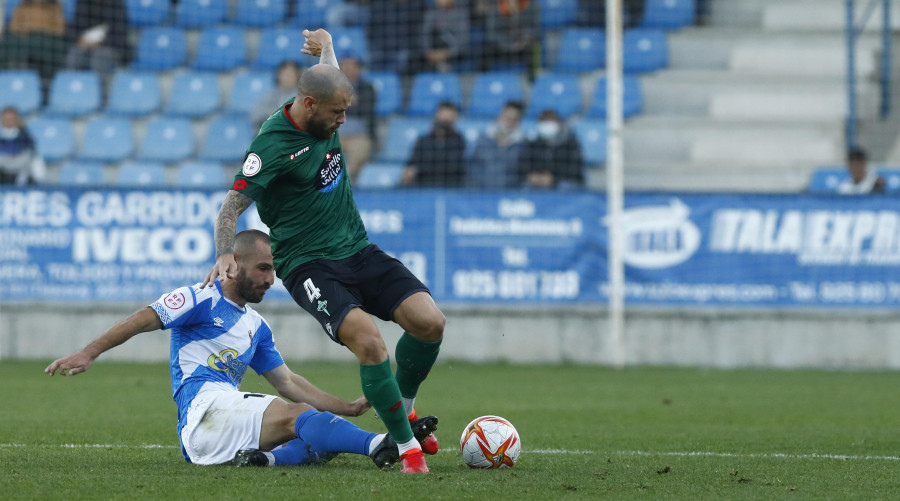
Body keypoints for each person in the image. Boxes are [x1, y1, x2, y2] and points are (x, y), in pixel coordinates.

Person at [202, 29, 445, 474]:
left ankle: (403, 411)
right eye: (337, 113)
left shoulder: (323, 103)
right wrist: (223, 254)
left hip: (357, 248)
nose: (343, 122)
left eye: (347, 112)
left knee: (430, 322)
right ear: (310, 105)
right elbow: (230, 206)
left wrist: (327, 43)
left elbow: (328, 72)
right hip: (309, 265)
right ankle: (408, 449)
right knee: (370, 343)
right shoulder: (271, 147)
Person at [45, 230, 437, 468]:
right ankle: (381, 445)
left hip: (226, 418)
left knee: (315, 429)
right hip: (203, 414)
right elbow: (142, 319)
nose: (272, 278)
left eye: (274, 270)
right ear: (234, 265)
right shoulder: (199, 297)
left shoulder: (256, 326)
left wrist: (345, 407)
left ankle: (263, 460)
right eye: (264, 268)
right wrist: (88, 352)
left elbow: (287, 381)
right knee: (300, 417)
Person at [0, 0, 68, 83]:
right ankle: (7, 79)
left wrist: (41, 31)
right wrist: (28, 31)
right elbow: (14, 27)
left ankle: (49, 82)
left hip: (47, 43)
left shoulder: (54, 8)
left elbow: (59, 30)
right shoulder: (23, 6)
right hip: (25, 40)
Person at [401, 101, 467, 187]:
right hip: (423, 187)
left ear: (455, 118)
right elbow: (412, 165)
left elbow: (453, 168)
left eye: (449, 116)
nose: (445, 118)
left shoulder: (459, 141)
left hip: (449, 188)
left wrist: (421, 169)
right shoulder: (423, 141)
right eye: (443, 114)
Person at [65, 0, 128, 86]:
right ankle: (73, 89)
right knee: (75, 54)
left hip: (110, 47)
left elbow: (120, 33)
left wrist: (100, 42)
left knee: (99, 56)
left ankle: (99, 94)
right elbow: (75, 27)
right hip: (86, 45)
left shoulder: (116, 3)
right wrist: (80, 39)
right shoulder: (83, 2)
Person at [516, 109, 584, 189]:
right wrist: (532, 175)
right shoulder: (533, 143)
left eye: (550, 121)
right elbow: (525, 163)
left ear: (559, 123)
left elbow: (575, 169)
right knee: (524, 186)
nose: (547, 124)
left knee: (566, 186)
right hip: (539, 182)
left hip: (562, 181)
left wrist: (554, 178)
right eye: (544, 121)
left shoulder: (570, 143)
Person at [467, 100, 525, 189]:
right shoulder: (482, 141)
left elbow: (521, 175)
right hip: (481, 194)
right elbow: (474, 168)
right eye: (507, 117)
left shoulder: (522, 146)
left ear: (518, 121)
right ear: (501, 115)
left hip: (509, 196)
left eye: (513, 119)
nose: (508, 122)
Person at [338, 55, 377, 182]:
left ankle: (343, 182)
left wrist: (342, 103)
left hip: (359, 135)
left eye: (352, 66)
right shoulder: (331, 86)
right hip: (335, 133)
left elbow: (365, 110)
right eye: (345, 65)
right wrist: (351, 101)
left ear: (359, 69)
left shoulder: (367, 88)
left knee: (358, 152)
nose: (348, 69)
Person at [366, 0, 425, 74]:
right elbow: (370, 30)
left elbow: (416, 33)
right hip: (379, 48)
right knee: (370, 58)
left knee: (403, 58)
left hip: (401, 49)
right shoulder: (379, 5)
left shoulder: (414, 6)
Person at [412, 0, 469, 73]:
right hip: (432, 54)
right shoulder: (431, 14)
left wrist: (447, 53)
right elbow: (424, 36)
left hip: (454, 56)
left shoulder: (460, 14)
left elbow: (463, 41)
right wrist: (428, 52)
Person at [483, 0, 540, 75]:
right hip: (502, 47)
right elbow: (492, 33)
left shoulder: (531, 5)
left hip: (522, 47)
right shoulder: (497, 5)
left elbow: (534, 29)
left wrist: (522, 40)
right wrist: (510, 45)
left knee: (533, 48)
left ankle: (532, 81)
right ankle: (485, 80)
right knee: (486, 49)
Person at [250, 61, 302, 131]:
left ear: (297, 77)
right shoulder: (270, 94)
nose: (287, 78)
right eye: (285, 74)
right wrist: (269, 113)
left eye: (291, 75)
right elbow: (255, 115)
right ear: (279, 75)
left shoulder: (301, 96)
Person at [0, 107, 46, 186]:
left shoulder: (26, 139)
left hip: (21, 177)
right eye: (5, 119)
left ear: (17, 121)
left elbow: (28, 158)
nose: (8, 122)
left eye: (11, 119)